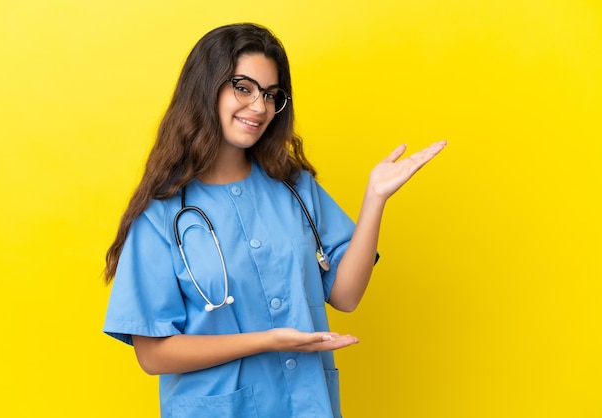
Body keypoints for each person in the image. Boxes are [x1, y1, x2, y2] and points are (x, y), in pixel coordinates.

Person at [103, 22, 447, 418]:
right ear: (205, 87)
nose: (260, 107)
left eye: (270, 94)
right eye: (243, 87)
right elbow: (153, 354)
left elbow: (346, 296)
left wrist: (375, 199)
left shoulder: (294, 186)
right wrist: (266, 340)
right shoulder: (163, 213)